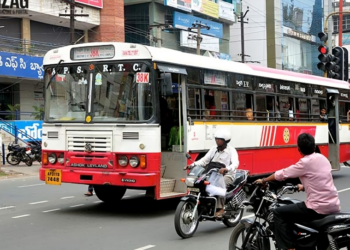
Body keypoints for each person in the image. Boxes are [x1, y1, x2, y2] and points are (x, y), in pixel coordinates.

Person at [254, 133, 340, 250]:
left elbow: (283, 173)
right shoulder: (323, 158)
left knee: (278, 212)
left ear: (298, 149)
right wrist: (303, 186)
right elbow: (320, 180)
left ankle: (288, 247)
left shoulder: (304, 163)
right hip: (334, 205)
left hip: (317, 207)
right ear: (314, 146)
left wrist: (264, 180)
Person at [189, 129, 239, 218]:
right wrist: (192, 165)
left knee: (219, 184)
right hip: (213, 174)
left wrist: (227, 169)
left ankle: (221, 208)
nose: (217, 141)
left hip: (227, 175)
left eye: (219, 139)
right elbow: (204, 160)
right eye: (216, 139)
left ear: (225, 140)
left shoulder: (231, 150)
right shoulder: (213, 149)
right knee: (200, 182)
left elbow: (235, 163)